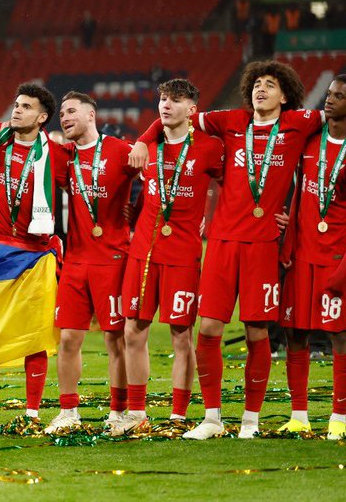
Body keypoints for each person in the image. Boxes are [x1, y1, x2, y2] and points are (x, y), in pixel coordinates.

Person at [129, 60, 320, 439]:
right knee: (210, 328)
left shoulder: (303, 123)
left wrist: (292, 214)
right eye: (256, 84)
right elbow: (168, 121)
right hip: (220, 242)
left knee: (256, 333)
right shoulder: (229, 121)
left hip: (262, 245)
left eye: (270, 85)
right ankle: (212, 418)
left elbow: (320, 159)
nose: (260, 89)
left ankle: (250, 420)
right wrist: (141, 139)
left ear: (286, 96)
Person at [113, 79, 223, 436]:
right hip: (143, 252)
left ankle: (178, 415)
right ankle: (137, 411)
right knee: (133, 331)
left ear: (192, 109)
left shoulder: (209, 147)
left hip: (183, 253)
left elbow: (233, 186)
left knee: (181, 336)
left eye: (175, 101)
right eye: (162, 99)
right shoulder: (146, 146)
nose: (166, 105)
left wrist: (216, 217)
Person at [0, 83, 69, 430]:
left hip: (37, 254)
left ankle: (31, 414)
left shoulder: (57, 155)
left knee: (35, 336)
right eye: (16, 104)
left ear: (42, 117)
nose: (17, 110)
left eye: (26, 107)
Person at [45, 92, 137, 434]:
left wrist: (139, 215)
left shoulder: (121, 150)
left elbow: (158, 181)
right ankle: (68, 412)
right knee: (68, 339)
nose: (65, 117)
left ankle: (118, 411)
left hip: (113, 259)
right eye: (62, 114)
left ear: (91, 114)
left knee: (116, 339)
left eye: (71, 111)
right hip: (75, 261)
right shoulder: (63, 156)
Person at [278, 75, 346, 437]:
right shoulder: (310, 142)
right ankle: (299, 414)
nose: (329, 100)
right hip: (303, 256)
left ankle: (340, 417)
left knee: (340, 337)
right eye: (330, 93)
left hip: (336, 257)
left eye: (338, 96)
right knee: (296, 334)